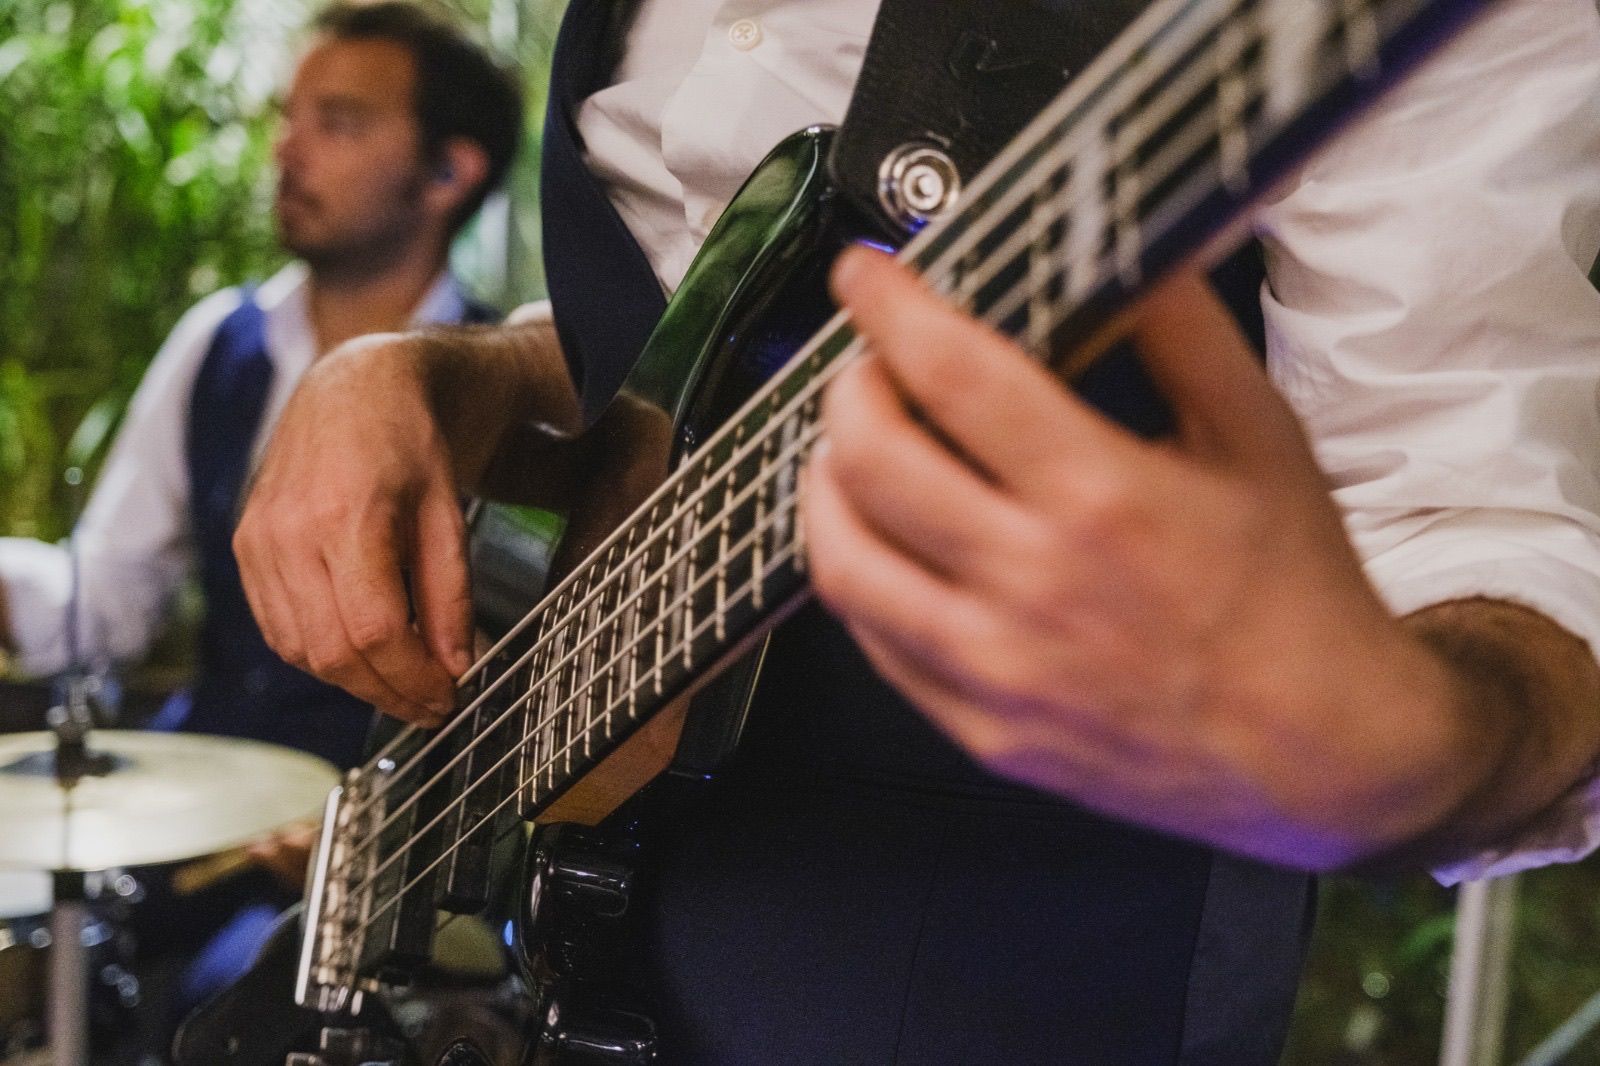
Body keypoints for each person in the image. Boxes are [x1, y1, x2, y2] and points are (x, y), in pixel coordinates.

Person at [231, 0, 1600, 1061]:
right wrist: (447, 372)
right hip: (561, 956)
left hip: (996, 978)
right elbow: (690, 332)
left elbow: (1499, 518)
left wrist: (1412, 745)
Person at [0, 0, 522, 1029]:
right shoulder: (219, 343)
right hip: (191, 817)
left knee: (234, 998)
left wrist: (402, 837)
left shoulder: (507, 388)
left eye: (339, 122)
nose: (286, 149)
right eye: (288, 117)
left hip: (372, 860)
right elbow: (107, 597)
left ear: (449, 172)